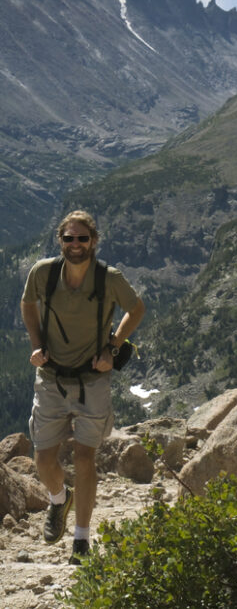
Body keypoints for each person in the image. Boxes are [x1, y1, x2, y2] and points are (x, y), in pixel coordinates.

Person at [21, 210, 145, 564]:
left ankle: (81, 540)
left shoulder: (109, 279)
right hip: (51, 378)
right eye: (69, 238)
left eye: (82, 238)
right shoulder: (42, 273)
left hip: (93, 380)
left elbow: (136, 309)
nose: (75, 245)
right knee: (44, 460)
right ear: (60, 241)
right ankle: (59, 498)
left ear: (94, 241)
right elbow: (28, 304)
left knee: (84, 456)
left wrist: (114, 347)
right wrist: (35, 342)